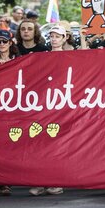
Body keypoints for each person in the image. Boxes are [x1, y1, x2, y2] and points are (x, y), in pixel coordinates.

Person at [29, 25, 65, 197]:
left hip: (63, 106)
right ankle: (40, 181)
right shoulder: (43, 56)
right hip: (45, 104)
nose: (54, 39)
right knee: (42, 143)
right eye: (52, 36)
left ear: (64, 38)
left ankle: (55, 181)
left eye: (58, 36)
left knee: (57, 145)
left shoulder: (72, 56)